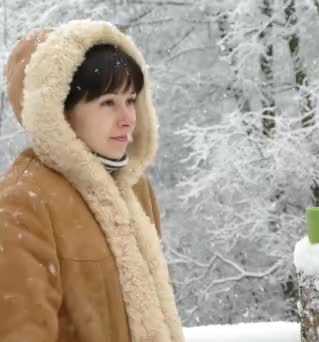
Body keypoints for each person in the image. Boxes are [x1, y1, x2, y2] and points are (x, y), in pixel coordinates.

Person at [0, 19, 184, 342]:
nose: (127, 119)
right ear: (61, 112)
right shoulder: (24, 202)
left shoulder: (136, 190)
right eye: (108, 103)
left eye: (130, 100)